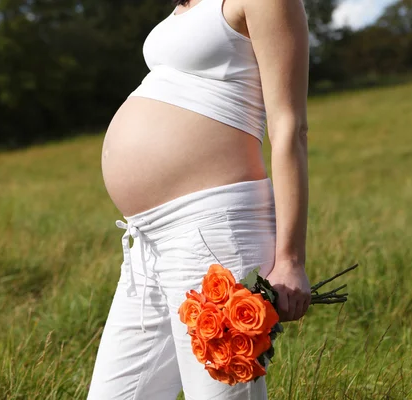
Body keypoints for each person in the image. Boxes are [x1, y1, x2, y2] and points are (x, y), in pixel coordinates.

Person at [89, 0, 311, 398]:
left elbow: (289, 126)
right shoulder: (187, 5)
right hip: (148, 242)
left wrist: (291, 259)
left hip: (212, 230)